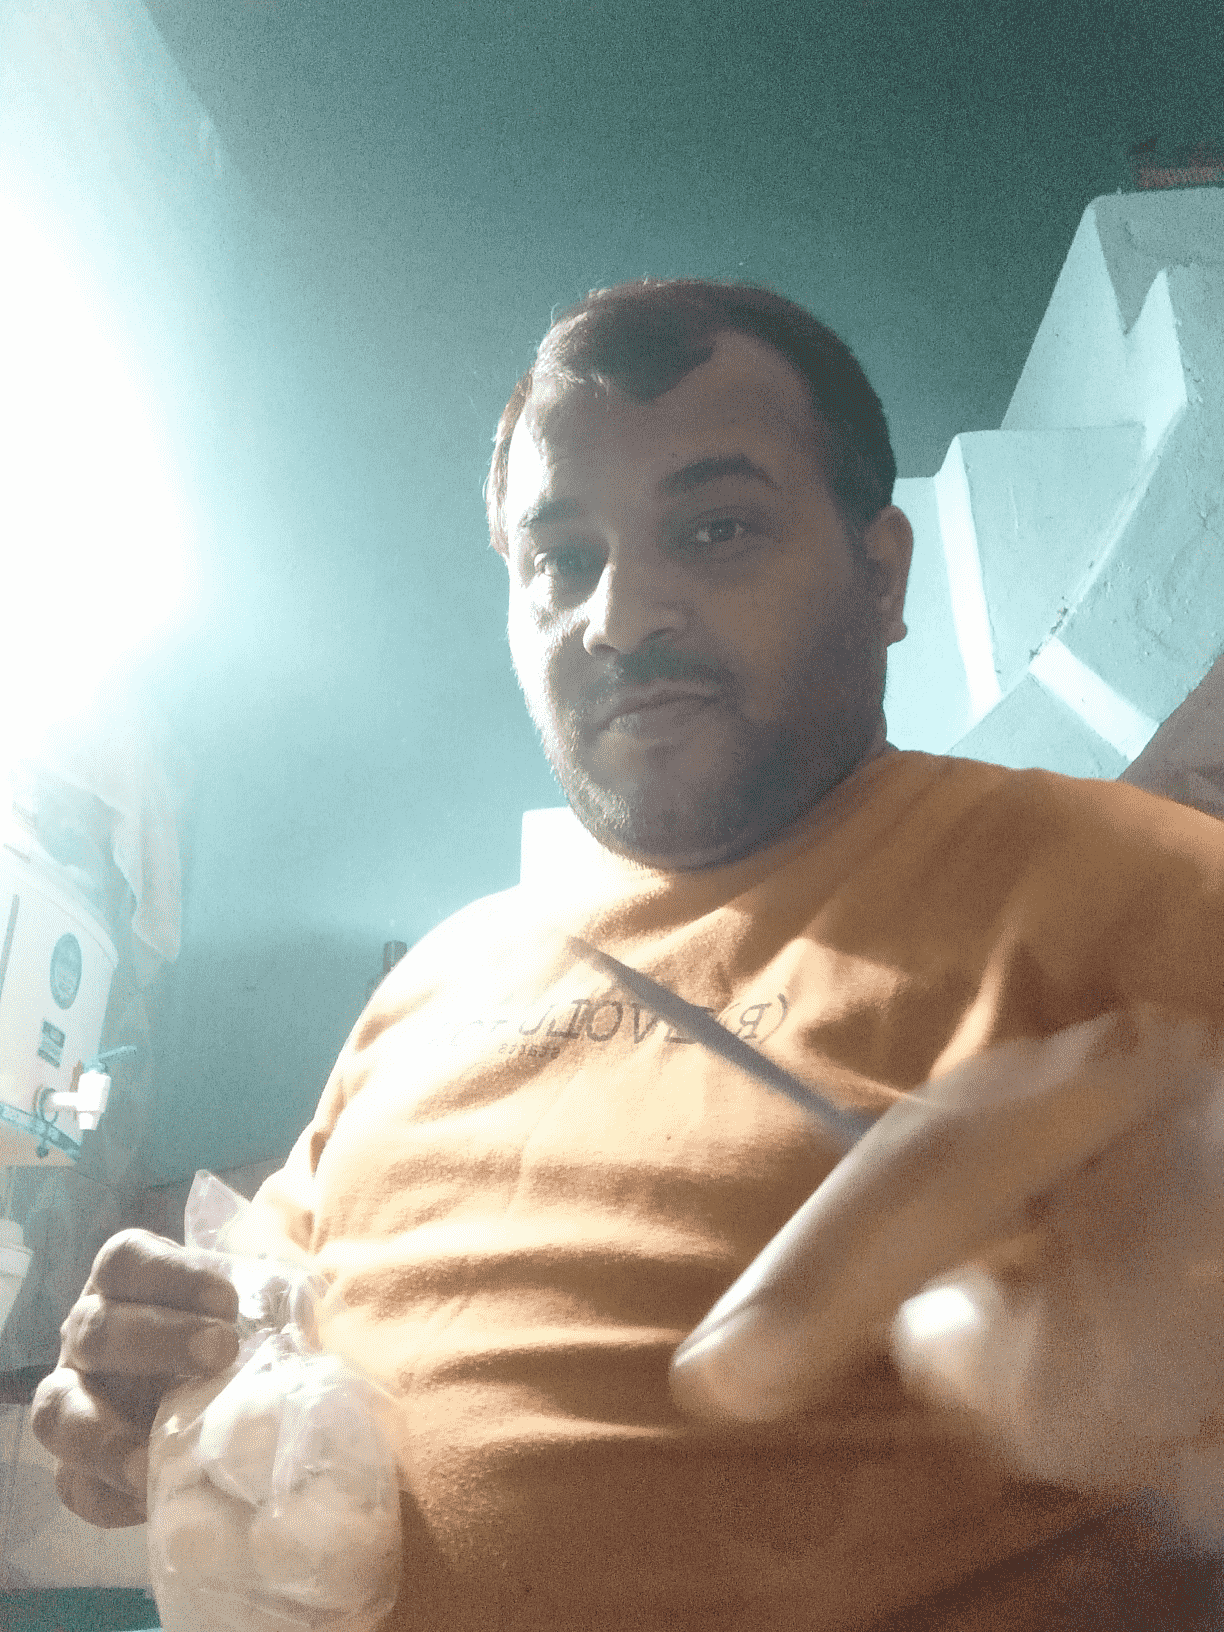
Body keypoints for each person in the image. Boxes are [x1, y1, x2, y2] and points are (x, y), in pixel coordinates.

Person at [32, 279, 1224, 1630]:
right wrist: (147, 1389)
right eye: (561, 558)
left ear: (883, 573)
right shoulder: (427, 990)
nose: (622, 615)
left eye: (717, 530)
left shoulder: (1129, 883)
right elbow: (262, 1323)